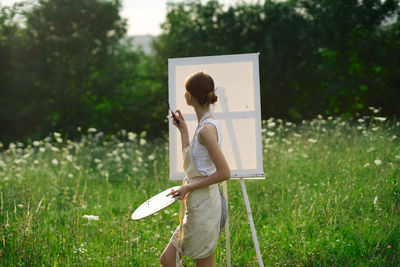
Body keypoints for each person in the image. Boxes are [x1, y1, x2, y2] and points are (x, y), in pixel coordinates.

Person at [160, 71, 230, 267]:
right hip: (198, 204)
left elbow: (224, 173)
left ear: (189, 95)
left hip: (206, 205)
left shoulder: (207, 129)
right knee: (168, 259)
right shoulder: (203, 126)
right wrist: (183, 131)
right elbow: (195, 165)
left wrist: (187, 188)